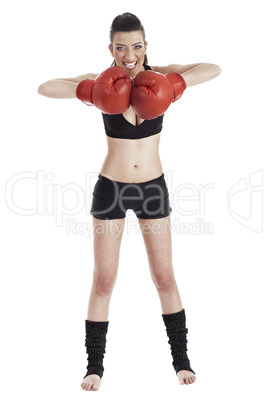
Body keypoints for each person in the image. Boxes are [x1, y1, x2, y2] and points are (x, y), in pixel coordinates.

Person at [38, 12, 221, 391]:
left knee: (164, 276)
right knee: (104, 280)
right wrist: (87, 91)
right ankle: (94, 367)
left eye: (136, 46)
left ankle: (181, 360)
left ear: (145, 46)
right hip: (112, 187)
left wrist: (175, 83)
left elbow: (213, 68)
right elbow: (45, 87)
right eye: (121, 47)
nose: (129, 54)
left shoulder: (159, 74)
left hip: (152, 186)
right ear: (111, 49)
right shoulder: (104, 81)